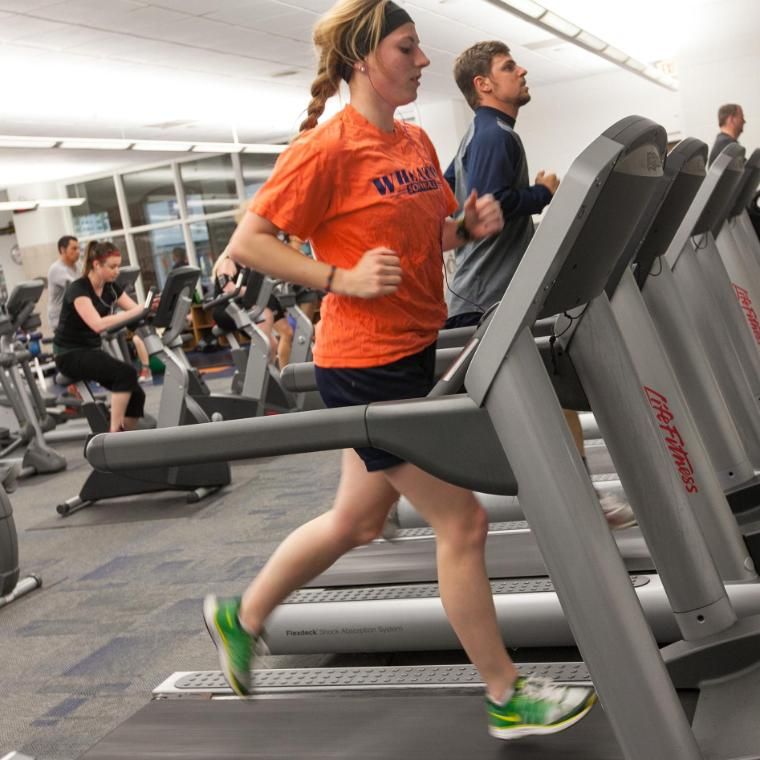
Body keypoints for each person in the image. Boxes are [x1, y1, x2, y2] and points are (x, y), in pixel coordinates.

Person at [203, 0, 595, 742]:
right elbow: (249, 242)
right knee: (464, 520)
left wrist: (464, 227)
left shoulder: (415, 141)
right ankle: (505, 692)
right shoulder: (328, 148)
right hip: (364, 367)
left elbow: (432, 233)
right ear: (363, 60)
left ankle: (242, 615)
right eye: (409, 48)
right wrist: (338, 279)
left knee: (358, 520)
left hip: (413, 350)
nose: (422, 61)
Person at [444, 41, 633, 529]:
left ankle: (581, 496)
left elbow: (450, 197)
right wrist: (541, 193)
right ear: (483, 84)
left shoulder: (482, 134)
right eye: (510, 67)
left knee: (545, 395)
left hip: (489, 291)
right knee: (518, 405)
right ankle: (577, 499)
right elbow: (489, 206)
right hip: (486, 297)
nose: (522, 70)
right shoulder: (494, 136)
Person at [53, 241, 148, 433]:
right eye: (112, 267)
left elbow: (135, 311)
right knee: (126, 374)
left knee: (137, 394)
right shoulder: (78, 289)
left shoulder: (111, 288)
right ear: (97, 265)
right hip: (69, 354)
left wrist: (151, 308)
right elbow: (97, 325)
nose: (117, 271)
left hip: (91, 351)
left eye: (118, 266)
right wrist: (137, 311)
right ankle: (114, 437)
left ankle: (128, 437)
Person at [47, 235, 80, 332]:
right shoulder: (57, 268)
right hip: (60, 320)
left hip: (74, 316)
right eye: (74, 248)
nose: (77, 252)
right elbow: (78, 287)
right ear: (62, 250)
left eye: (78, 248)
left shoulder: (78, 265)